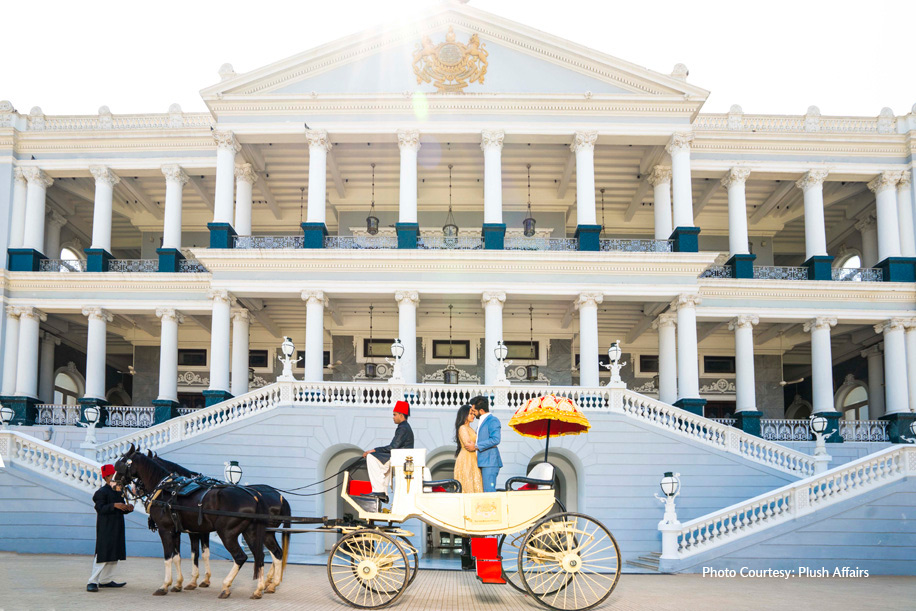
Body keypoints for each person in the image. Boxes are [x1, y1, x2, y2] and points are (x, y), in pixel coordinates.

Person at [87, 464, 133, 592]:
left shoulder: (117, 491)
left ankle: (106, 580)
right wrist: (115, 505)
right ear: (106, 477)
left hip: (117, 527)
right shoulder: (100, 492)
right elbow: (100, 509)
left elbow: (121, 507)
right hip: (106, 528)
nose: (115, 478)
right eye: (112, 475)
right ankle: (92, 581)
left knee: (114, 554)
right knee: (102, 554)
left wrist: (127, 509)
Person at [363, 400, 414, 501]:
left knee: (371, 458)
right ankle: (383, 492)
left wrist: (374, 450)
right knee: (382, 463)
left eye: (395, 415)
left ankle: (379, 491)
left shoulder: (403, 428)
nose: (393, 417)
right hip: (401, 457)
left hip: (399, 458)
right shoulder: (404, 427)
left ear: (401, 415)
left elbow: (392, 447)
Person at [472, 395, 502, 492]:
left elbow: (495, 439)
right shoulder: (482, 420)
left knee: (489, 492)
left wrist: (476, 446)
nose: (473, 413)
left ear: (481, 411)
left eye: (474, 411)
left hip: (489, 463)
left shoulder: (493, 420)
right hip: (482, 462)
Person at [453, 404, 483, 494]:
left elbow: (473, 444)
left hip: (473, 458)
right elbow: (468, 444)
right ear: (464, 414)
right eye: (471, 413)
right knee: (468, 483)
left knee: (475, 483)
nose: (473, 416)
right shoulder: (462, 428)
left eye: (473, 413)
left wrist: (476, 445)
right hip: (466, 459)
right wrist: (478, 445)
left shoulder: (469, 428)